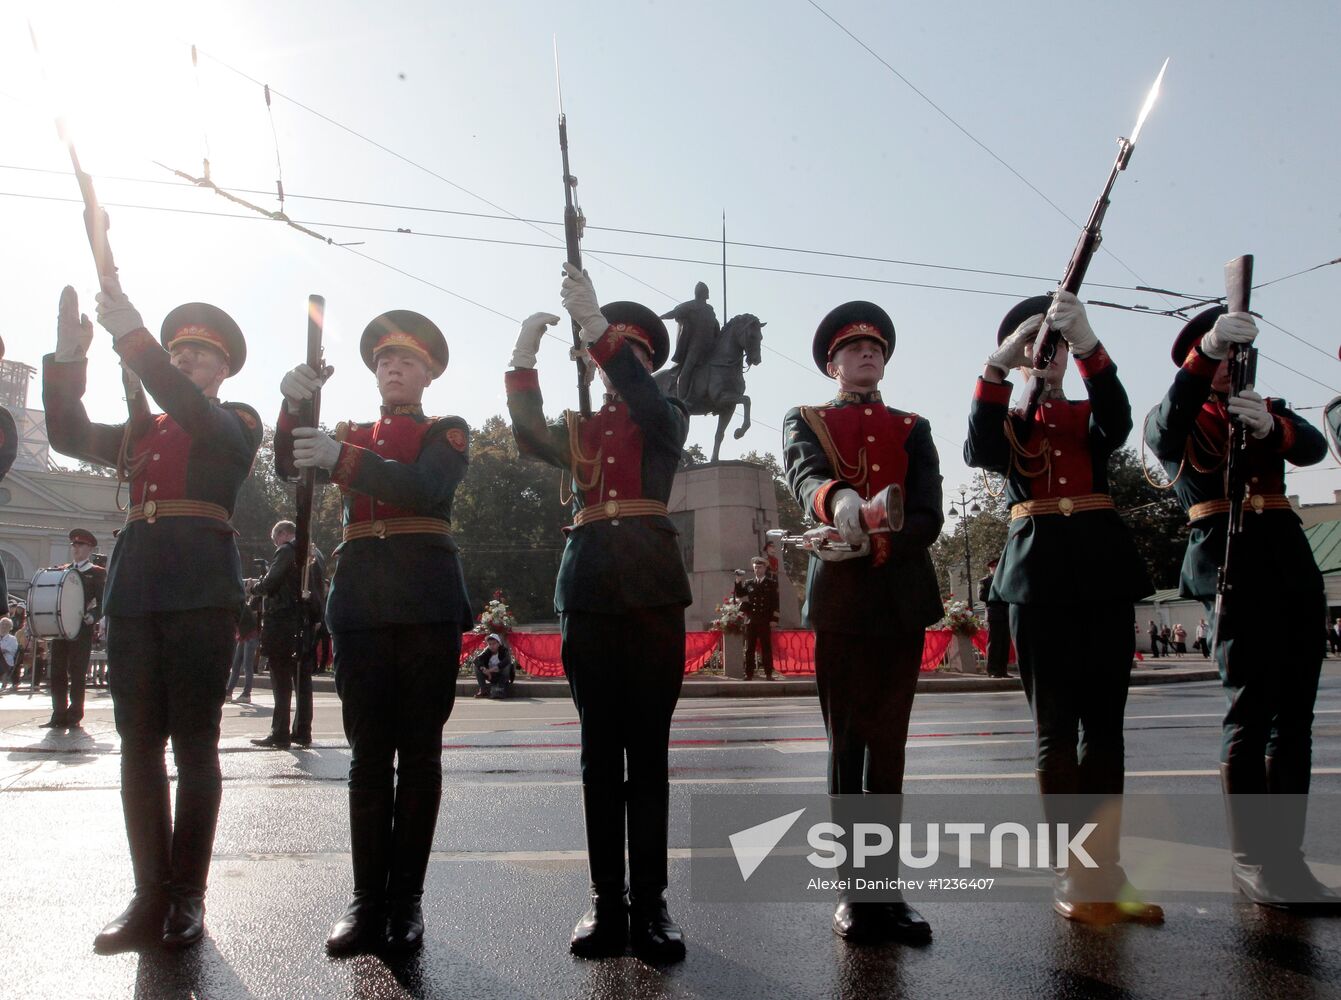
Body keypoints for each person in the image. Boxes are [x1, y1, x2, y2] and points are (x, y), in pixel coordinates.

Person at [43, 281, 261, 951]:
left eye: (200, 356)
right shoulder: (144, 431)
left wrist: (134, 340)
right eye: (179, 353)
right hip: (136, 593)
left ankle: (186, 896)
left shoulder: (234, 421)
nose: (188, 362)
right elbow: (67, 431)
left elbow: (187, 404)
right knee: (138, 747)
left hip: (200, 593)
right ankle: (149, 894)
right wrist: (68, 359)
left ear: (222, 369)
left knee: (195, 746)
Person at [505, 263, 692, 963]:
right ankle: (605, 901)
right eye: (614, 352)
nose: (622, 362)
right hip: (586, 590)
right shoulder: (581, 427)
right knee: (595, 758)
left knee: (645, 756)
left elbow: (647, 406)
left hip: (647, 589)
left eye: (633, 351)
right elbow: (525, 434)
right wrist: (521, 361)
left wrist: (596, 329)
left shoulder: (666, 413)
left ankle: (651, 905)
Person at [277, 308, 472, 954]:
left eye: (408, 361)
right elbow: (287, 466)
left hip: (424, 603)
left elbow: (420, 489)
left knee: (418, 756)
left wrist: (342, 458)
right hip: (361, 603)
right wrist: (292, 405)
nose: (393, 367)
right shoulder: (347, 431)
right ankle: (366, 901)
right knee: (367, 760)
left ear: (429, 374)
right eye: (385, 360)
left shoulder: (447, 432)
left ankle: (405, 902)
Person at [965, 291, 1161, 925]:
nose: (1043, 359)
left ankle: (1106, 866)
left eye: (1049, 349)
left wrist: (1088, 347)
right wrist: (996, 372)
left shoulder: (1083, 415)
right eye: (1035, 350)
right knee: (1055, 731)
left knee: (1104, 731)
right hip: (1039, 583)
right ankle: (1073, 870)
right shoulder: (1010, 422)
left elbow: (1120, 422)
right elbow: (981, 450)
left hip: (1101, 576)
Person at [1145, 303, 1339, 909]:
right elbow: (1165, 431)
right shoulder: (1174, 413)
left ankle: (1288, 858)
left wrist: (1271, 428)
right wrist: (1205, 353)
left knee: (1295, 719)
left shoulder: (1265, 410)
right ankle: (1254, 860)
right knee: (1251, 711)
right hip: (1228, 563)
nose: (1229, 364)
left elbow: (1309, 448)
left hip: (1288, 560)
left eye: (1233, 353)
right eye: (1215, 354)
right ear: (1194, 362)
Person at [782, 300, 944, 945]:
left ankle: (887, 891)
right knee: (848, 748)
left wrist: (878, 539)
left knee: (891, 752)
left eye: (875, 348)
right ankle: (854, 892)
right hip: (843, 603)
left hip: (899, 597)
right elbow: (804, 475)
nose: (866, 355)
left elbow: (928, 514)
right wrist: (839, 500)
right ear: (832, 363)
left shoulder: (913, 425)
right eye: (853, 349)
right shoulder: (809, 419)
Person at [42, 528, 106, 729]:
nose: (76, 549)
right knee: (58, 672)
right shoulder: (63, 570)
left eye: (80, 545)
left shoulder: (96, 572)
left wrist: (93, 616)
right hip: (61, 629)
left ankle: (75, 714)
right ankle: (58, 714)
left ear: (89, 548)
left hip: (81, 629)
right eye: (74, 545)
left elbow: (103, 602)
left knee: (77, 673)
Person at [250, 521, 306, 748]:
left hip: (281, 621)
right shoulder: (309, 553)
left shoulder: (285, 551)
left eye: (275, 540)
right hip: (299, 621)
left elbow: (271, 582)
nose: (276, 545)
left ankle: (279, 731)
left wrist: (255, 587)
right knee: (298, 680)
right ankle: (300, 729)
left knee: (280, 679)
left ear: (282, 534)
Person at [659, 281, 719, 404]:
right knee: (686, 371)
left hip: (710, 349)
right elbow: (675, 313)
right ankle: (681, 400)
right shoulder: (690, 306)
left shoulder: (710, 311)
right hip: (695, 347)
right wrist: (661, 317)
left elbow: (716, 328)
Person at [738, 556, 779, 680]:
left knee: (766, 648)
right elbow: (740, 594)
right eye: (755, 568)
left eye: (760, 567)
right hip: (751, 620)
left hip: (765, 620)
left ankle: (768, 673)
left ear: (765, 568)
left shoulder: (771, 583)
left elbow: (775, 603)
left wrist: (774, 619)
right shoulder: (749, 583)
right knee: (749, 649)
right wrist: (738, 580)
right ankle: (749, 673)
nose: (757, 570)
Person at [226, 582, 260, 704]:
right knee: (236, 665)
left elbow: (237, 621)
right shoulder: (238, 603)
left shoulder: (238, 604)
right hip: (244, 635)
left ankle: (246, 693)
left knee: (247, 665)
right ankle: (229, 691)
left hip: (250, 635)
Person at [978, 557, 1010, 678]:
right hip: (994, 615)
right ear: (991, 568)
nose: (997, 569)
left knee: (1005, 643)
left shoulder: (1005, 580)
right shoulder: (985, 581)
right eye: (995, 567)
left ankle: (1003, 670)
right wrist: (996, 596)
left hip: (1006, 614)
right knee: (994, 643)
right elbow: (982, 596)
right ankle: (992, 670)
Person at [473, 633, 515, 699]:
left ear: (499, 644)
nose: (492, 646)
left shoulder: (504, 650)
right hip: (491, 675)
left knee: (507, 666)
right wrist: (483, 669)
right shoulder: (487, 651)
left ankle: (500, 688)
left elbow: (507, 660)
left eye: (494, 644)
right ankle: (483, 690)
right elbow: (477, 660)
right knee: (476, 667)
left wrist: (490, 670)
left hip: (502, 676)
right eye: (490, 644)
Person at [0, 618, 17, 690]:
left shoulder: (12, 639)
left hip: (7, 660)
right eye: (2, 624)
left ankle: (3, 685)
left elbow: (13, 649)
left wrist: (3, 650)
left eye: (6, 625)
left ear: (10, 628)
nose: (4, 626)